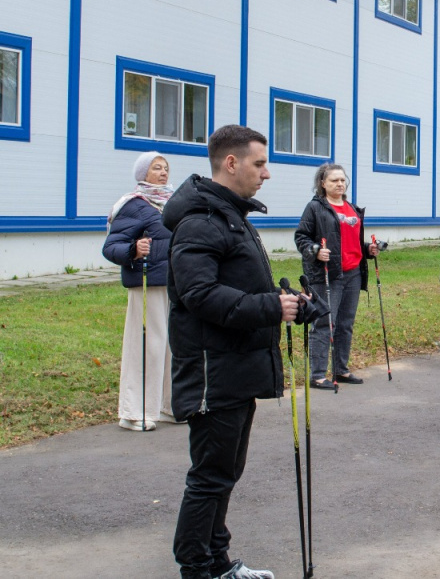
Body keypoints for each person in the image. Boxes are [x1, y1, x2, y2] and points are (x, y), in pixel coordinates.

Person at [164, 125, 299, 579]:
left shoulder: (229, 216)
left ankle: (218, 562)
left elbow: (239, 286)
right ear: (231, 163)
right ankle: (196, 568)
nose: (266, 173)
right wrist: (270, 307)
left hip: (236, 366)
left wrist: (286, 303)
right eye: (259, 164)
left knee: (225, 473)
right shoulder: (201, 221)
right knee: (210, 477)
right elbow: (199, 294)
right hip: (213, 371)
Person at [102, 152, 175, 431]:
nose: (163, 172)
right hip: (146, 283)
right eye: (156, 168)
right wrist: (134, 249)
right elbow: (111, 247)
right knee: (147, 347)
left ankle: (169, 406)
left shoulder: (171, 204)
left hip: (173, 284)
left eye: (165, 168)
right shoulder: (134, 205)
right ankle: (134, 412)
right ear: (143, 173)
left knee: (172, 346)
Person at [294, 163, 380, 389]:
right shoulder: (315, 207)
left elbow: (350, 242)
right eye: (334, 180)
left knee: (345, 324)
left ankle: (340, 369)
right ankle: (317, 375)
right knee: (324, 323)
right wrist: (315, 251)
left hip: (353, 272)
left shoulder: (351, 208)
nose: (340, 184)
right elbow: (301, 237)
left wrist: (367, 250)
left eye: (342, 180)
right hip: (327, 274)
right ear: (323, 183)